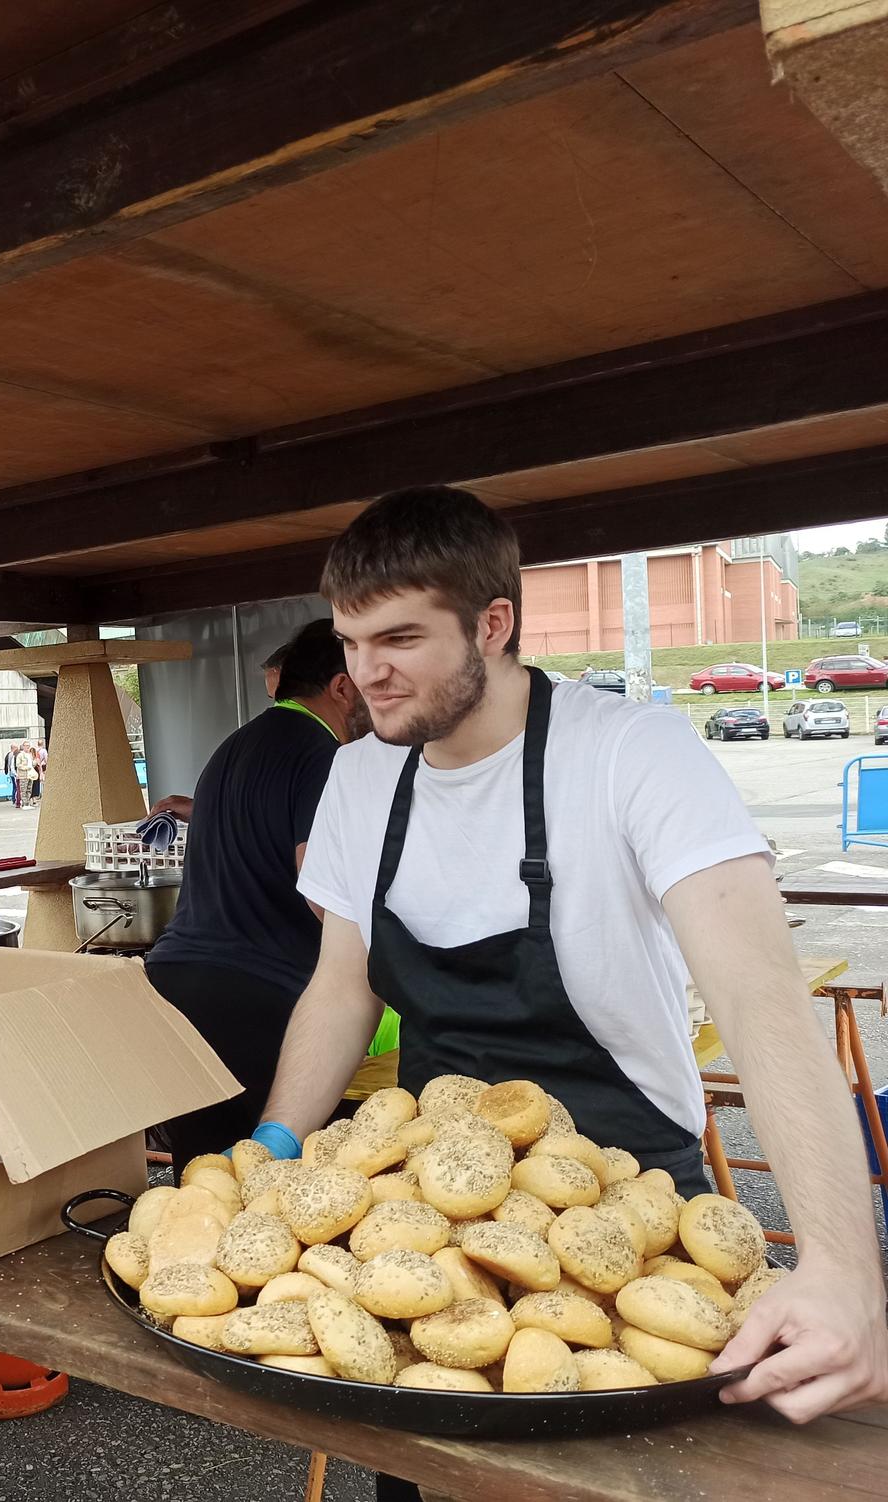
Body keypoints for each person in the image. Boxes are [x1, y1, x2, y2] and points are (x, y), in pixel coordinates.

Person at [252, 486, 887, 1434]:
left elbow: (761, 1003)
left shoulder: (633, 753)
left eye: (399, 640)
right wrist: (275, 1148)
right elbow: (341, 990)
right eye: (349, 643)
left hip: (630, 1191)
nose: (364, 675)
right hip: (434, 1206)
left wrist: (844, 1269)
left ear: (494, 623)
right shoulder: (359, 775)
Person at [143, 619, 371, 1170]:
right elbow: (320, 883)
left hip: (173, 985)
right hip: (257, 1000)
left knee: (204, 1183)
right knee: (272, 1195)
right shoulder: (322, 753)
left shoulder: (235, 744)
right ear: (342, 688)